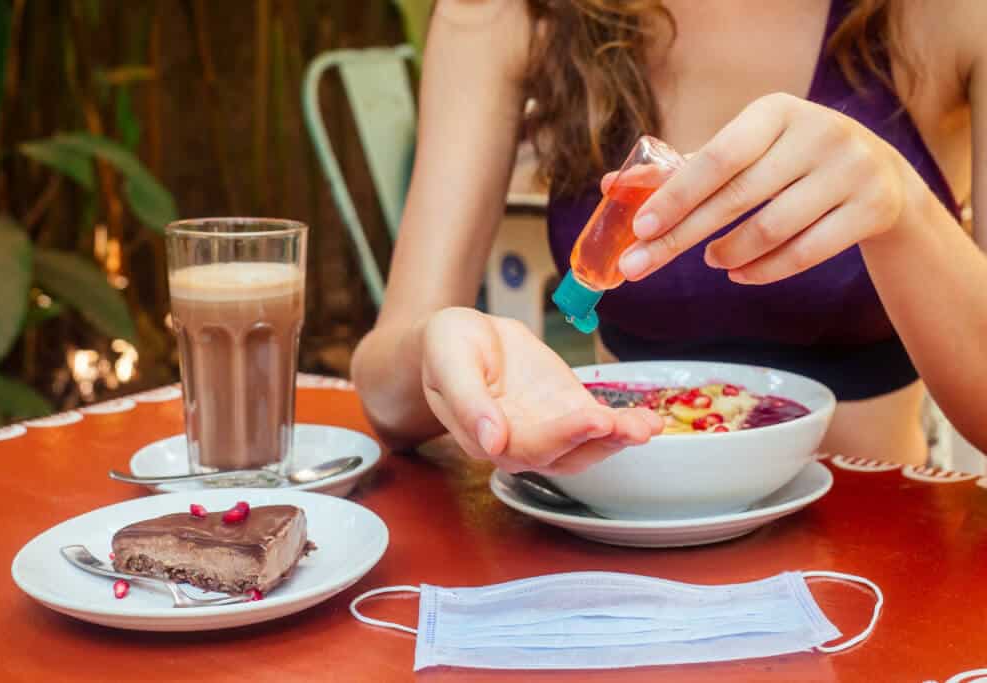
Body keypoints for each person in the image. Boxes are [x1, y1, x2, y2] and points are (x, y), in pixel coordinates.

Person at [351, 0, 987, 474]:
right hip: (613, 551)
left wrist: (905, 209)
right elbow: (386, 395)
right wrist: (437, 350)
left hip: (877, 562)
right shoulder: (505, 12)